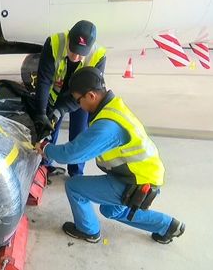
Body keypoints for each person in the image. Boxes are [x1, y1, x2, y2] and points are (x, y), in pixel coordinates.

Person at [35, 67, 185, 244]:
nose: (78, 106)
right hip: (144, 175)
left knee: (74, 187)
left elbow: (71, 154)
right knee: (111, 210)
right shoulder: (112, 107)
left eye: (78, 100)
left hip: (135, 182)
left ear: (91, 96)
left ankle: (88, 231)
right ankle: (168, 226)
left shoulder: (107, 126)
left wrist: (45, 148)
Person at [33, 20, 106, 177]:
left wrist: (61, 110)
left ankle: (76, 172)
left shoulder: (98, 55)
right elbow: (44, 80)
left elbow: (89, 90)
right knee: (49, 130)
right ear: (68, 39)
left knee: (79, 135)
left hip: (81, 99)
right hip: (55, 94)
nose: (76, 57)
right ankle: (44, 167)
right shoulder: (54, 43)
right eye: (73, 50)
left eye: (81, 53)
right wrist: (41, 112)